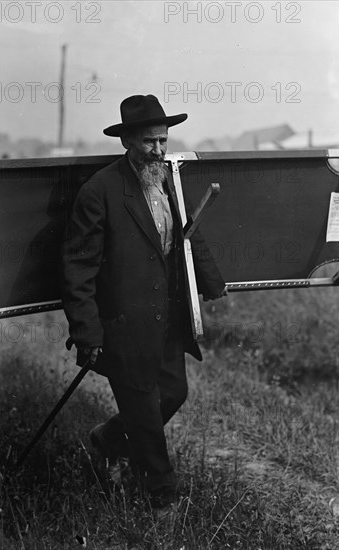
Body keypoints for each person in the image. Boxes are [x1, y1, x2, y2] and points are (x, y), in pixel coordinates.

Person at [61, 94, 226, 511]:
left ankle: (107, 440)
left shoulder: (166, 180)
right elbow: (78, 268)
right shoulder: (99, 191)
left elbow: (188, 233)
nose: (158, 150)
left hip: (165, 318)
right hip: (123, 325)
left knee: (173, 393)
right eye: (149, 142)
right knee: (145, 413)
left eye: (163, 141)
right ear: (126, 142)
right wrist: (87, 330)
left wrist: (212, 282)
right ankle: (161, 499)